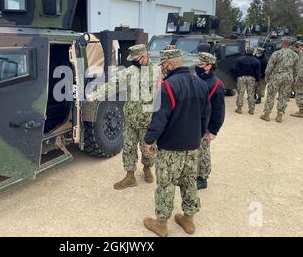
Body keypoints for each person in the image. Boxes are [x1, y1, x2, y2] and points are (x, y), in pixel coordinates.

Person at [142, 49, 211, 237]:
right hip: (192, 145)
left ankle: (161, 224)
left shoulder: (168, 86)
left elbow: (160, 118)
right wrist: (199, 135)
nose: (162, 69)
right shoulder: (200, 84)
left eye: (163, 65)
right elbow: (206, 115)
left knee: (166, 184)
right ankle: (188, 220)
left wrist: (148, 140)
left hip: (170, 147)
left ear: (170, 65)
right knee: (189, 182)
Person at [89, 44, 159, 189]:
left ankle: (147, 168)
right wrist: (95, 95)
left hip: (148, 120)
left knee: (148, 148)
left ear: (144, 56)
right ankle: (130, 176)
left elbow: (162, 94)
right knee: (128, 147)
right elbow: (112, 85)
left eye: (136, 59)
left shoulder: (157, 71)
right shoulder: (128, 72)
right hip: (131, 118)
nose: (133, 61)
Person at [194, 52, 225, 190]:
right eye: (197, 63)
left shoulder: (216, 84)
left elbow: (219, 110)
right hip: (195, 122)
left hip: (206, 125)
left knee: (203, 151)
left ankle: (202, 177)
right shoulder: (199, 79)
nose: (197, 66)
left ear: (208, 66)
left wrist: (213, 131)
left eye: (200, 64)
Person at [260, 38, 299, 123]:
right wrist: (294, 80)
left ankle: (267, 115)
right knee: (283, 96)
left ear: (282, 44)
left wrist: (266, 76)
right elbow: (296, 69)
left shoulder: (276, 53)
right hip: (288, 78)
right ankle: (279, 115)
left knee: (271, 95)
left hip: (276, 77)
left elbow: (270, 66)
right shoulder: (295, 55)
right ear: (290, 45)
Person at [235, 46, 261, 115]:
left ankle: (239, 108)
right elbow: (257, 72)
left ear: (246, 51)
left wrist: (237, 77)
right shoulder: (256, 61)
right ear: (253, 52)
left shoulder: (239, 59)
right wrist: (257, 80)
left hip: (241, 77)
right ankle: (251, 110)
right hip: (251, 78)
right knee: (251, 94)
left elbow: (236, 69)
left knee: (241, 93)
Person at [290, 41, 303, 118]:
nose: (301, 50)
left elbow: (302, 71)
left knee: (300, 94)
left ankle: (301, 111)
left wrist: (297, 80)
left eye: (301, 48)